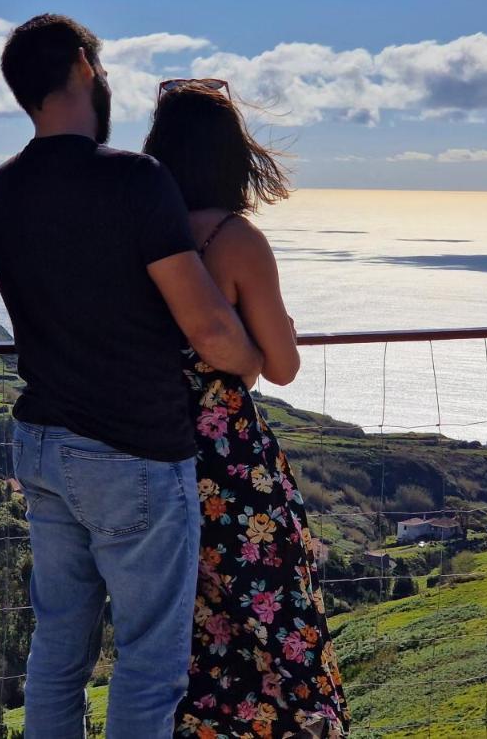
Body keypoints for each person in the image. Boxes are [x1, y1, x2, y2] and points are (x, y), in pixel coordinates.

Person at [0, 15, 265, 738]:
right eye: (100, 69)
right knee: (148, 660)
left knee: (59, 646)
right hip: (133, 451)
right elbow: (207, 328)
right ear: (83, 66)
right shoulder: (135, 181)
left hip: (41, 443)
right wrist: (253, 361)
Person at [143, 81, 351, 738]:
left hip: (148, 455)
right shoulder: (235, 241)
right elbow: (282, 366)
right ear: (232, 155)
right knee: (279, 632)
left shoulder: (144, 234)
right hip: (233, 474)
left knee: (190, 643)